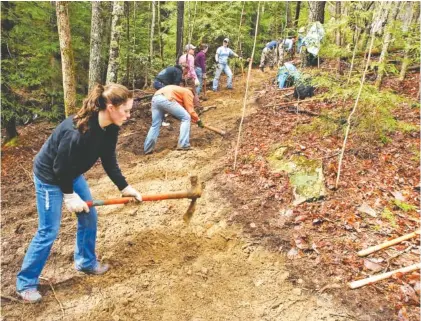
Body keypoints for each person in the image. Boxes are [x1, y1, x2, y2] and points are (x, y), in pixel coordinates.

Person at [16, 83, 142, 303]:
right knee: (49, 230)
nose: (129, 115)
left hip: (71, 173)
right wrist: (69, 195)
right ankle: (25, 283)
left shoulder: (110, 127)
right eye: (126, 110)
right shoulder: (77, 132)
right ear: (111, 107)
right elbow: (59, 169)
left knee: (88, 216)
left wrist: (124, 187)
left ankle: (85, 261)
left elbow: (109, 160)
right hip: (49, 176)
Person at [144, 85, 203, 154]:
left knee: (155, 124)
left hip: (155, 98)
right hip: (166, 99)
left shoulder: (178, 91)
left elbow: (180, 113)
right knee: (186, 117)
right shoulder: (188, 92)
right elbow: (190, 111)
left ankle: (147, 149)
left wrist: (192, 119)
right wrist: (198, 120)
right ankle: (183, 144)